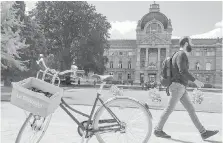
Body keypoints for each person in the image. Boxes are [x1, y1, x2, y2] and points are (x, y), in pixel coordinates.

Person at [154, 37, 219, 140]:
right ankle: (158, 129)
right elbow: (182, 71)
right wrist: (195, 81)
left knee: (191, 109)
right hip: (177, 87)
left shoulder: (176, 54)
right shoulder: (181, 54)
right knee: (169, 109)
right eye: (191, 43)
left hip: (180, 87)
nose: (191, 45)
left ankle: (203, 132)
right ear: (186, 44)